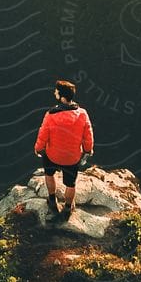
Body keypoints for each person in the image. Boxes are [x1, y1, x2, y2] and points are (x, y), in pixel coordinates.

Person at [34, 80, 94, 221]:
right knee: (70, 184)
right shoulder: (82, 114)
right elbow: (88, 135)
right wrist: (87, 150)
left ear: (61, 96)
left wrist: (38, 148)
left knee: (49, 174)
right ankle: (68, 207)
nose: (54, 92)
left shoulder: (51, 115)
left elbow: (43, 135)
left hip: (52, 155)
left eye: (56, 91)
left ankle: (52, 200)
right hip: (72, 157)